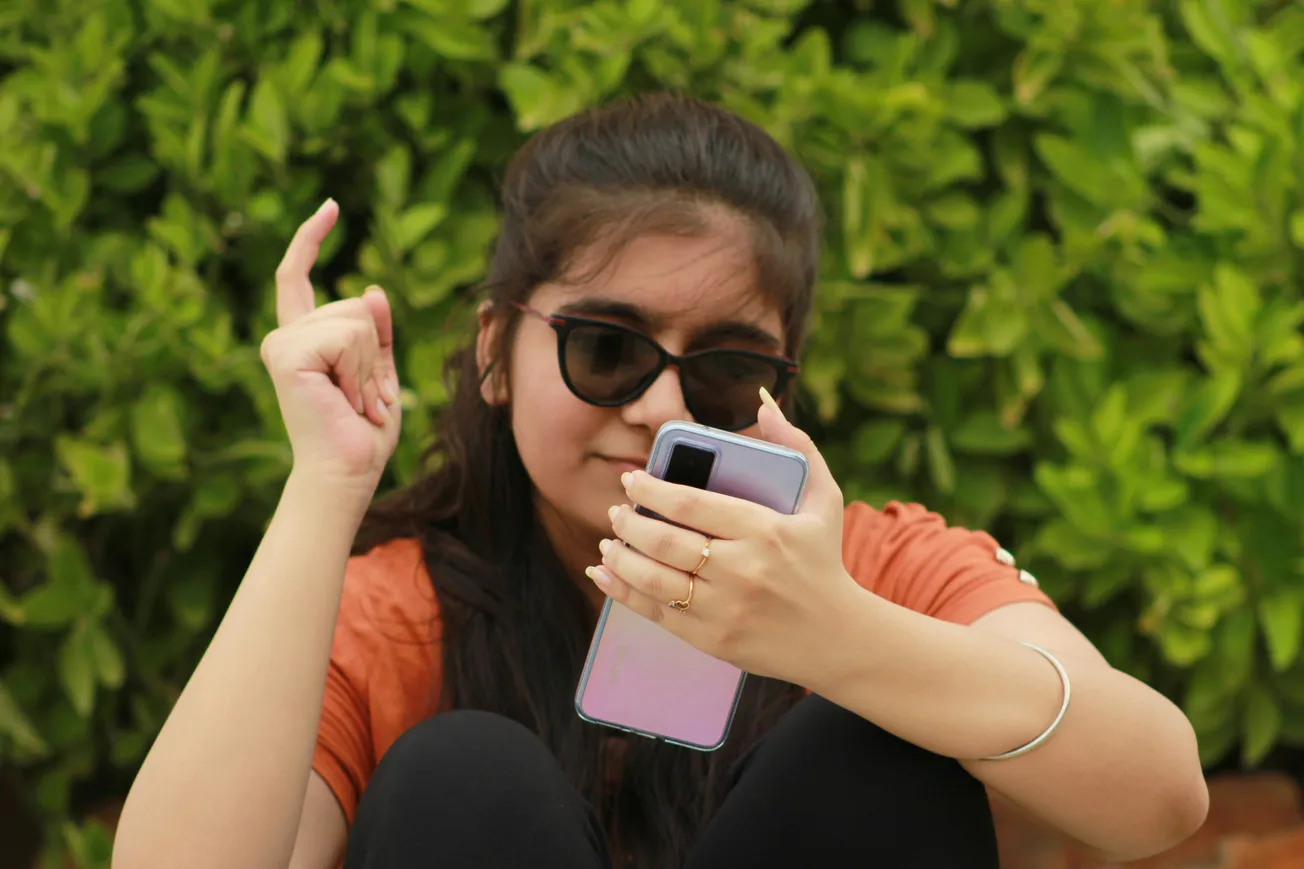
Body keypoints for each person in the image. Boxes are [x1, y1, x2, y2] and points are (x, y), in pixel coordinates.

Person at [113, 93, 1208, 869]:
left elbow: (1157, 794)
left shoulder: (872, 566)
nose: (660, 409)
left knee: (870, 755)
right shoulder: (401, 615)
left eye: (726, 369)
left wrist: (835, 633)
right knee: (460, 775)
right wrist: (324, 484)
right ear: (496, 350)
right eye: (604, 348)